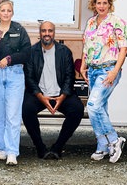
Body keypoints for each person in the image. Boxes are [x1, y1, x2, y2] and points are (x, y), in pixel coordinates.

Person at [79, 0, 127, 163]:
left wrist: (115, 70)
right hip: (92, 70)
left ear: (109, 5)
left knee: (92, 106)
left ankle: (114, 140)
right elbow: (87, 47)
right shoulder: (91, 22)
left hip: (108, 70)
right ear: (94, 5)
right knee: (100, 108)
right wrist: (83, 66)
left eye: (104, 3)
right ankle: (103, 145)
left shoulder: (117, 22)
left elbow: (124, 48)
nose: (101, 6)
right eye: (98, 3)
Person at [22, 21, 85, 159]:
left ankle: (58, 147)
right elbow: (29, 78)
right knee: (26, 109)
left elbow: (70, 77)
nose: (47, 34)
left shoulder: (64, 51)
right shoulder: (32, 52)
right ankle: (40, 148)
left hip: (60, 94)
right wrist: (41, 97)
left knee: (77, 109)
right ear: (40, 33)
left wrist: (62, 96)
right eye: (44, 31)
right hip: (39, 94)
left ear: (54, 33)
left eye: (50, 31)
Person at [0, 0, 31, 166]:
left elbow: (27, 53)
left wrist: (9, 59)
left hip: (15, 75)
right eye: (3, 11)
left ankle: (12, 152)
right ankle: (3, 148)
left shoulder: (19, 30)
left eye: (9, 11)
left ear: (12, 13)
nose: (6, 13)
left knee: (12, 115)